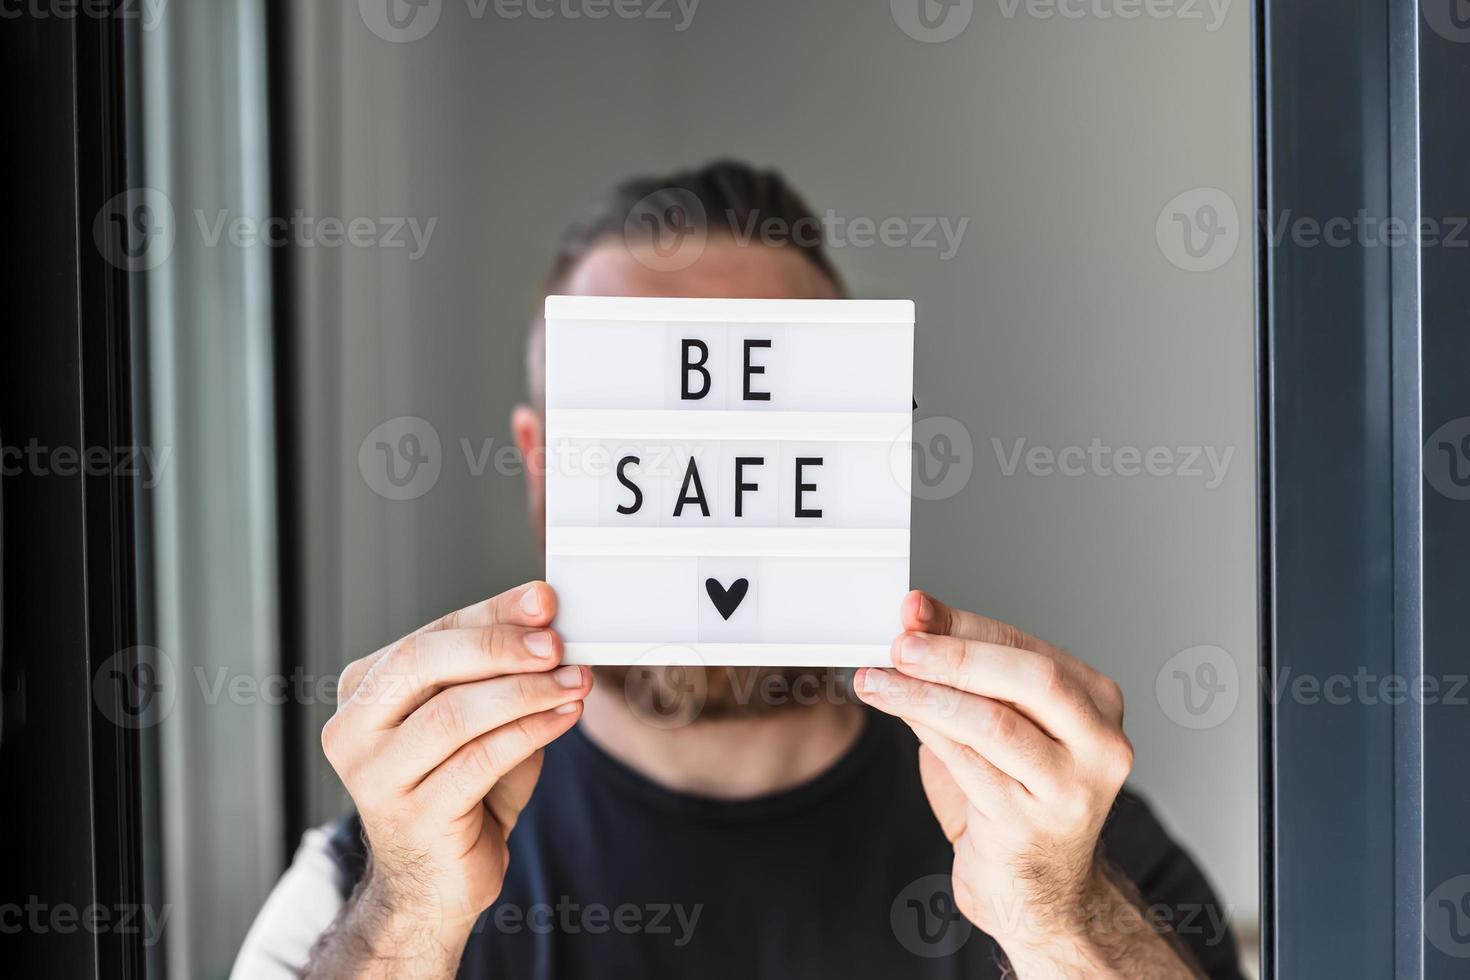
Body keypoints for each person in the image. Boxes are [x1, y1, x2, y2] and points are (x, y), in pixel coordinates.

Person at [232, 160, 1244, 979]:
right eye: (646, 422)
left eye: (762, 414)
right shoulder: (369, 881)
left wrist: (1061, 925)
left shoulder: (1079, 846)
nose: (710, 475)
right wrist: (407, 922)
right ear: (543, 464)